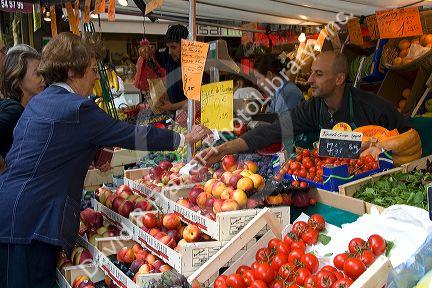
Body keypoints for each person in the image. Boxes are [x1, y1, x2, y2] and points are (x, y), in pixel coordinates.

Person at [0, 33, 210, 288]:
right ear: (71, 72)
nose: (95, 76)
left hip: (12, 211)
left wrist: (91, 151)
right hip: (33, 221)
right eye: (90, 70)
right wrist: (182, 139)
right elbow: (130, 134)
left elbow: (42, 148)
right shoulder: (77, 108)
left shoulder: (40, 102)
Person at [198, 51, 410, 164]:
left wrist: (381, 147)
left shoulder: (373, 107)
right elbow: (273, 130)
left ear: (339, 79)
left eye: (318, 74)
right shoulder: (313, 108)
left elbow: (410, 139)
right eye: (311, 73)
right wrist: (223, 149)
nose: (309, 80)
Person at [0, 49, 45, 159]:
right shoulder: (14, 110)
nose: (43, 79)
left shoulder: (24, 109)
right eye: (37, 73)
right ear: (18, 77)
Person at [153, 24, 189, 112]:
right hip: (174, 117)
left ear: (186, 45)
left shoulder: (194, 66)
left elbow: (198, 100)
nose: (169, 52)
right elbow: (153, 53)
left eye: (173, 47)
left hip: (190, 119)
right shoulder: (169, 57)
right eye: (168, 47)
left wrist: (172, 106)